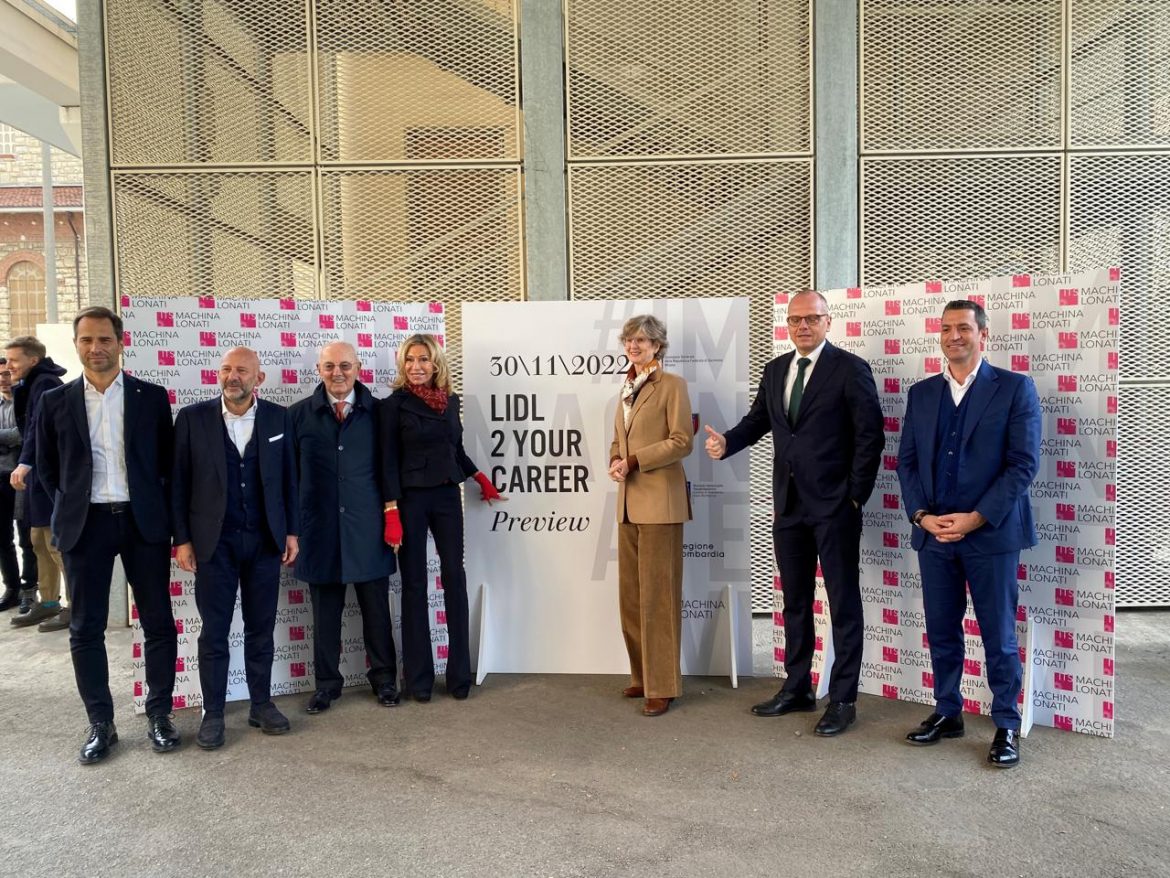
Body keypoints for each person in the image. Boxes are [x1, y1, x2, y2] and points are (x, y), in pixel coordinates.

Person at [705, 290, 884, 736]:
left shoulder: (850, 369)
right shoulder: (776, 370)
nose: (803, 326)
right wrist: (727, 442)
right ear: (787, 325)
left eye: (812, 318)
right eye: (795, 319)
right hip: (788, 505)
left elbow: (870, 436)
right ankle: (798, 686)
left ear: (828, 322)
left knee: (842, 603)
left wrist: (855, 496)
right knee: (796, 601)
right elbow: (758, 421)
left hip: (835, 507)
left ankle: (842, 699)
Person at [896, 299, 1041, 769]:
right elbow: (906, 463)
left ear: (983, 335)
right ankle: (948, 711)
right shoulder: (922, 393)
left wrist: (976, 518)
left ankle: (1006, 723)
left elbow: (1023, 465)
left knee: (998, 634)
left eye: (963, 327)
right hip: (934, 535)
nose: (953, 336)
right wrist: (921, 516)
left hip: (991, 536)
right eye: (945, 328)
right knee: (941, 629)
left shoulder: (1014, 388)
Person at [36, 306, 180, 765]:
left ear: (120, 342)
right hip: (86, 525)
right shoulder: (54, 401)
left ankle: (159, 714)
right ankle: (101, 722)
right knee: (85, 627)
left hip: (143, 522)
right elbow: (47, 469)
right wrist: (72, 506)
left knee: (158, 621)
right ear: (76, 345)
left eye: (104, 339)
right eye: (87, 340)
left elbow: (167, 465)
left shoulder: (151, 397)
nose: (95, 348)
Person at [171, 347, 300, 750]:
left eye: (242, 370)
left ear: (258, 378)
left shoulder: (279, 418)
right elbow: (178, 483)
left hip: (264, 540)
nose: (232, 376)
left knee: (261, 627)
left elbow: (290, 479)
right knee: (214, 632)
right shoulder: (191, 418)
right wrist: (182, 540)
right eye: (226, 369)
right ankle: (213, 713)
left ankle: (261, 704)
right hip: (214, 543)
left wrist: (291, 532)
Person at [379, 334, 501, 702]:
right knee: (415, 584)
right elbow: (387, 461)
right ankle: (418, 680)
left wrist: (478, 476)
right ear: (402, 364)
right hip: (411, 499)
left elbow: (455, 448)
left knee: (454, 579)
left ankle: (459, 676)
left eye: (423, 359)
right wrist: (391, 510)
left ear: (436, 364)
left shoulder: (450, 401)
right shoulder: (393, 406)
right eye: (410, 360)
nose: (416, 366)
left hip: (448, 495)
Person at [289, 341, 399, 714]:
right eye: (330, 366)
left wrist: (392, 515)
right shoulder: (298, 416)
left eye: (345, 366)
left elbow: (389, 469)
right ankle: (326, 686)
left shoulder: (380, 413)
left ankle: (385, 680)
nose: (338, 373)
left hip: (368, 530)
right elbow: (289, 478)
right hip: (318, 532)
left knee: (377, 613)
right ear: (319, 369)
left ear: (358, 367)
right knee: (324, 617)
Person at [606, 316, 693, 717]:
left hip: (660, 503)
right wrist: (615, 460)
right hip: (628, 503)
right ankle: (642, 676)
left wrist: (635, 461)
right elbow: (618, 440)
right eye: (629, 340)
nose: (634, 346)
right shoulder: (626, 386)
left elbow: (681, 441)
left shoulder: (672, 385)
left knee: (658, 598)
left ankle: (664, 685)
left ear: (658, 345)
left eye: (642, 340)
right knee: (631, 598)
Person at [6, 336, 67, 629]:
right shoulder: (31, 383)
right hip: (37, 479)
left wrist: (25, 462)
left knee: (56, 544)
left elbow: (37, 429)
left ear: (33, 359)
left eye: (13, 360)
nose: (8, 366)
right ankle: (49, 602)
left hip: (48, 476)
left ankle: (76, 606)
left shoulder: (46, 383)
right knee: (38, 541)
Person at [0, 358, 37, 613]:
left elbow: (23, 435)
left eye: (6, 373)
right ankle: (11, 589)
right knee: (3, 538)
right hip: (1, 477)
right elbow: (14, 436)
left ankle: (29, 589)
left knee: (28, 538)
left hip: (24, 478)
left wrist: (10, 439)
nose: (3, 379)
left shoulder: (25, 401)